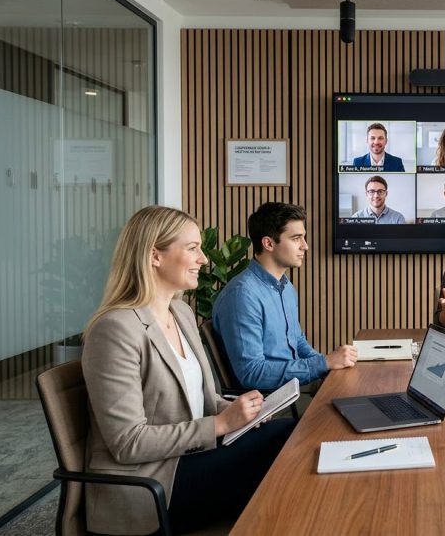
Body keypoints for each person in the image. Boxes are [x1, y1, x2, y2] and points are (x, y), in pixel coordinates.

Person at [81, 206, 295, 534]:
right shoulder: (115, 330)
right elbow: (127, 442)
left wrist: (239, 411)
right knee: (283, 444)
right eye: (192, 248)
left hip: (192, 457)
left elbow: (200, 399)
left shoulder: (180, 312)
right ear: (155, 256)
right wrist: (221, 423)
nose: (204, 260)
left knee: (290, 432)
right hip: (152, 483)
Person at [213, 202, 357, 391]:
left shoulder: (286, 286)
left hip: (290, 393)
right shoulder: (242, 296)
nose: (305, 246)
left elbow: (297, 341)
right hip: (266, 406)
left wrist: (327, 367)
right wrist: (324, 363)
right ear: (269, 243)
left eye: (303, 238)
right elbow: (252, 373)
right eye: (296, 238)